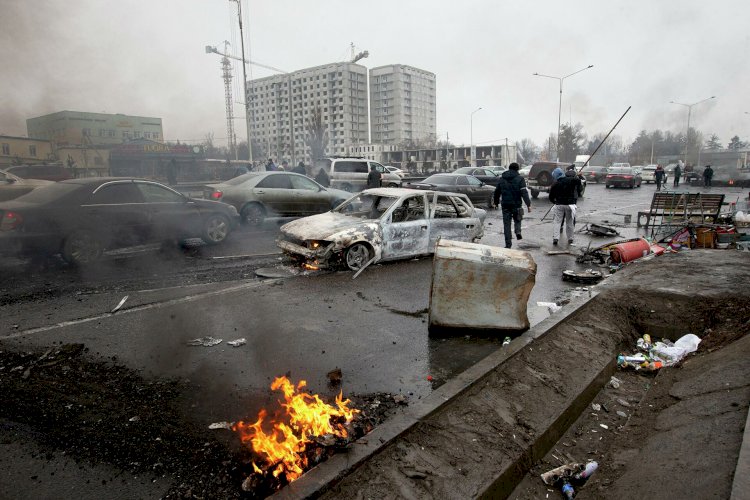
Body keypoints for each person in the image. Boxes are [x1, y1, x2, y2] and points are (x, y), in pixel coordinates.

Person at [493, 162, 532, 249]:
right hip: (517, 204)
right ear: (517, 169)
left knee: (507, 225)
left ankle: (508, 244)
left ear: (509, 168)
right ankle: (518, 231)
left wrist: (496, 203)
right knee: (518, 219)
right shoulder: (520, 179)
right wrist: (528, 204)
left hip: (505, 205)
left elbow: (497, 192)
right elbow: (524, 192)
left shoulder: (502, 178)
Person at [549, 169, 583, 246]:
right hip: (570, 205)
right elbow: (578, 182)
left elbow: (551, 197)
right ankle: (570, 238)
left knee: (557, 222)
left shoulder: (555, 184)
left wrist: (555, 202)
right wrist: (578, 176)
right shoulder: (570, 180)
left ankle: (555, 238)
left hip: (559, 204)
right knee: (569, 222)